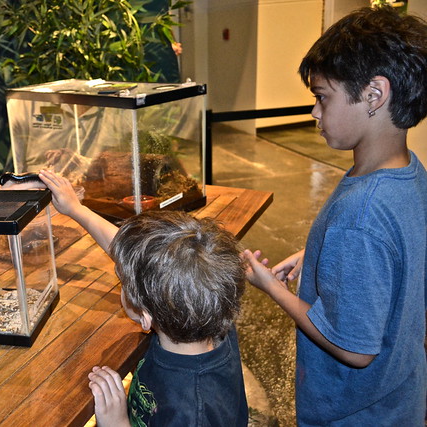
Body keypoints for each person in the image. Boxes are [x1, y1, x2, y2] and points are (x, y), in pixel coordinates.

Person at [242, 6, 427, 426]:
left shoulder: (360, 214)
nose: (314, 113)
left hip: (353, 413)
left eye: (322, 97)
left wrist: (273, 288)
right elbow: (394, 256)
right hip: (400, 398)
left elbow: (354, 350)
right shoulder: (410, 174)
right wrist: (320, 253)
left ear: (374, 95)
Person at [39, 169, 248, 426]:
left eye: (123, 283)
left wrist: (118, 422)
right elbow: (135, 257)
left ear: (146, 317)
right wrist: (75, 209)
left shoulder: (193, 413)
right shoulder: (210, 312)